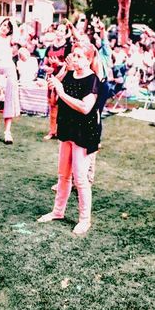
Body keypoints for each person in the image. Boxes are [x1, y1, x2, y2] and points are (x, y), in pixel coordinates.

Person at [37, 43, 102, 235]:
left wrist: (62, 92)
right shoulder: (69, 75)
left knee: (80, 179)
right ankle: (58, 212)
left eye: (80, 56)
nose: (75, 58)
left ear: (89, 59)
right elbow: (55, 100)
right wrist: (55, 84)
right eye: (74, 55)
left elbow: (84, 107)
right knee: (63, 175)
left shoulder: (92, 80)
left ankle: (85, 219)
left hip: (84, 133)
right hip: (67, 129)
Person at [0, 19, 21, 144]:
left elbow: (18, 34)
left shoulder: (10, 40)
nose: (5, 28)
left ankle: (7, 132)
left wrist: (12, 19)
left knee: (9, 101)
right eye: (4, 25)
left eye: (8, 26)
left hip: (9, 72)